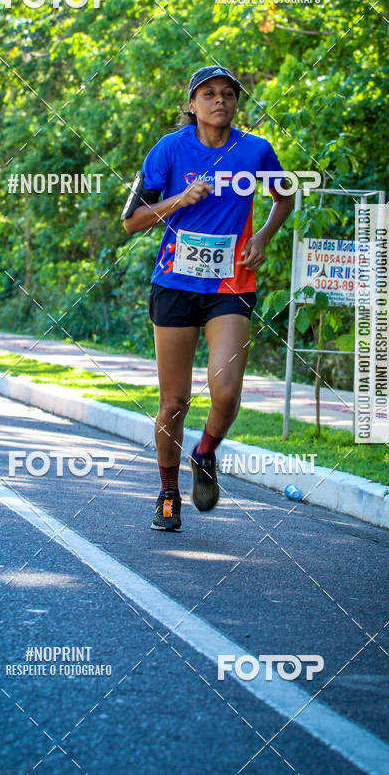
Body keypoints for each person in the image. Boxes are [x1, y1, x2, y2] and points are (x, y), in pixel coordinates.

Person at [123, 66, 294, 532]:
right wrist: (178, 199)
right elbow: (132, 221)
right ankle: (167, 494)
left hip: (231, 285)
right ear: (192, 104)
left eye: (228, 94)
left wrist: (263, 236)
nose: (219, 100)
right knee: (173, 402)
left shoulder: (256, 150)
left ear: (236, 103)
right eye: (209, 94)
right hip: (175, 285)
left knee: (227, 392)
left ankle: (204, 453)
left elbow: (285, 196)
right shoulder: (169, 148)